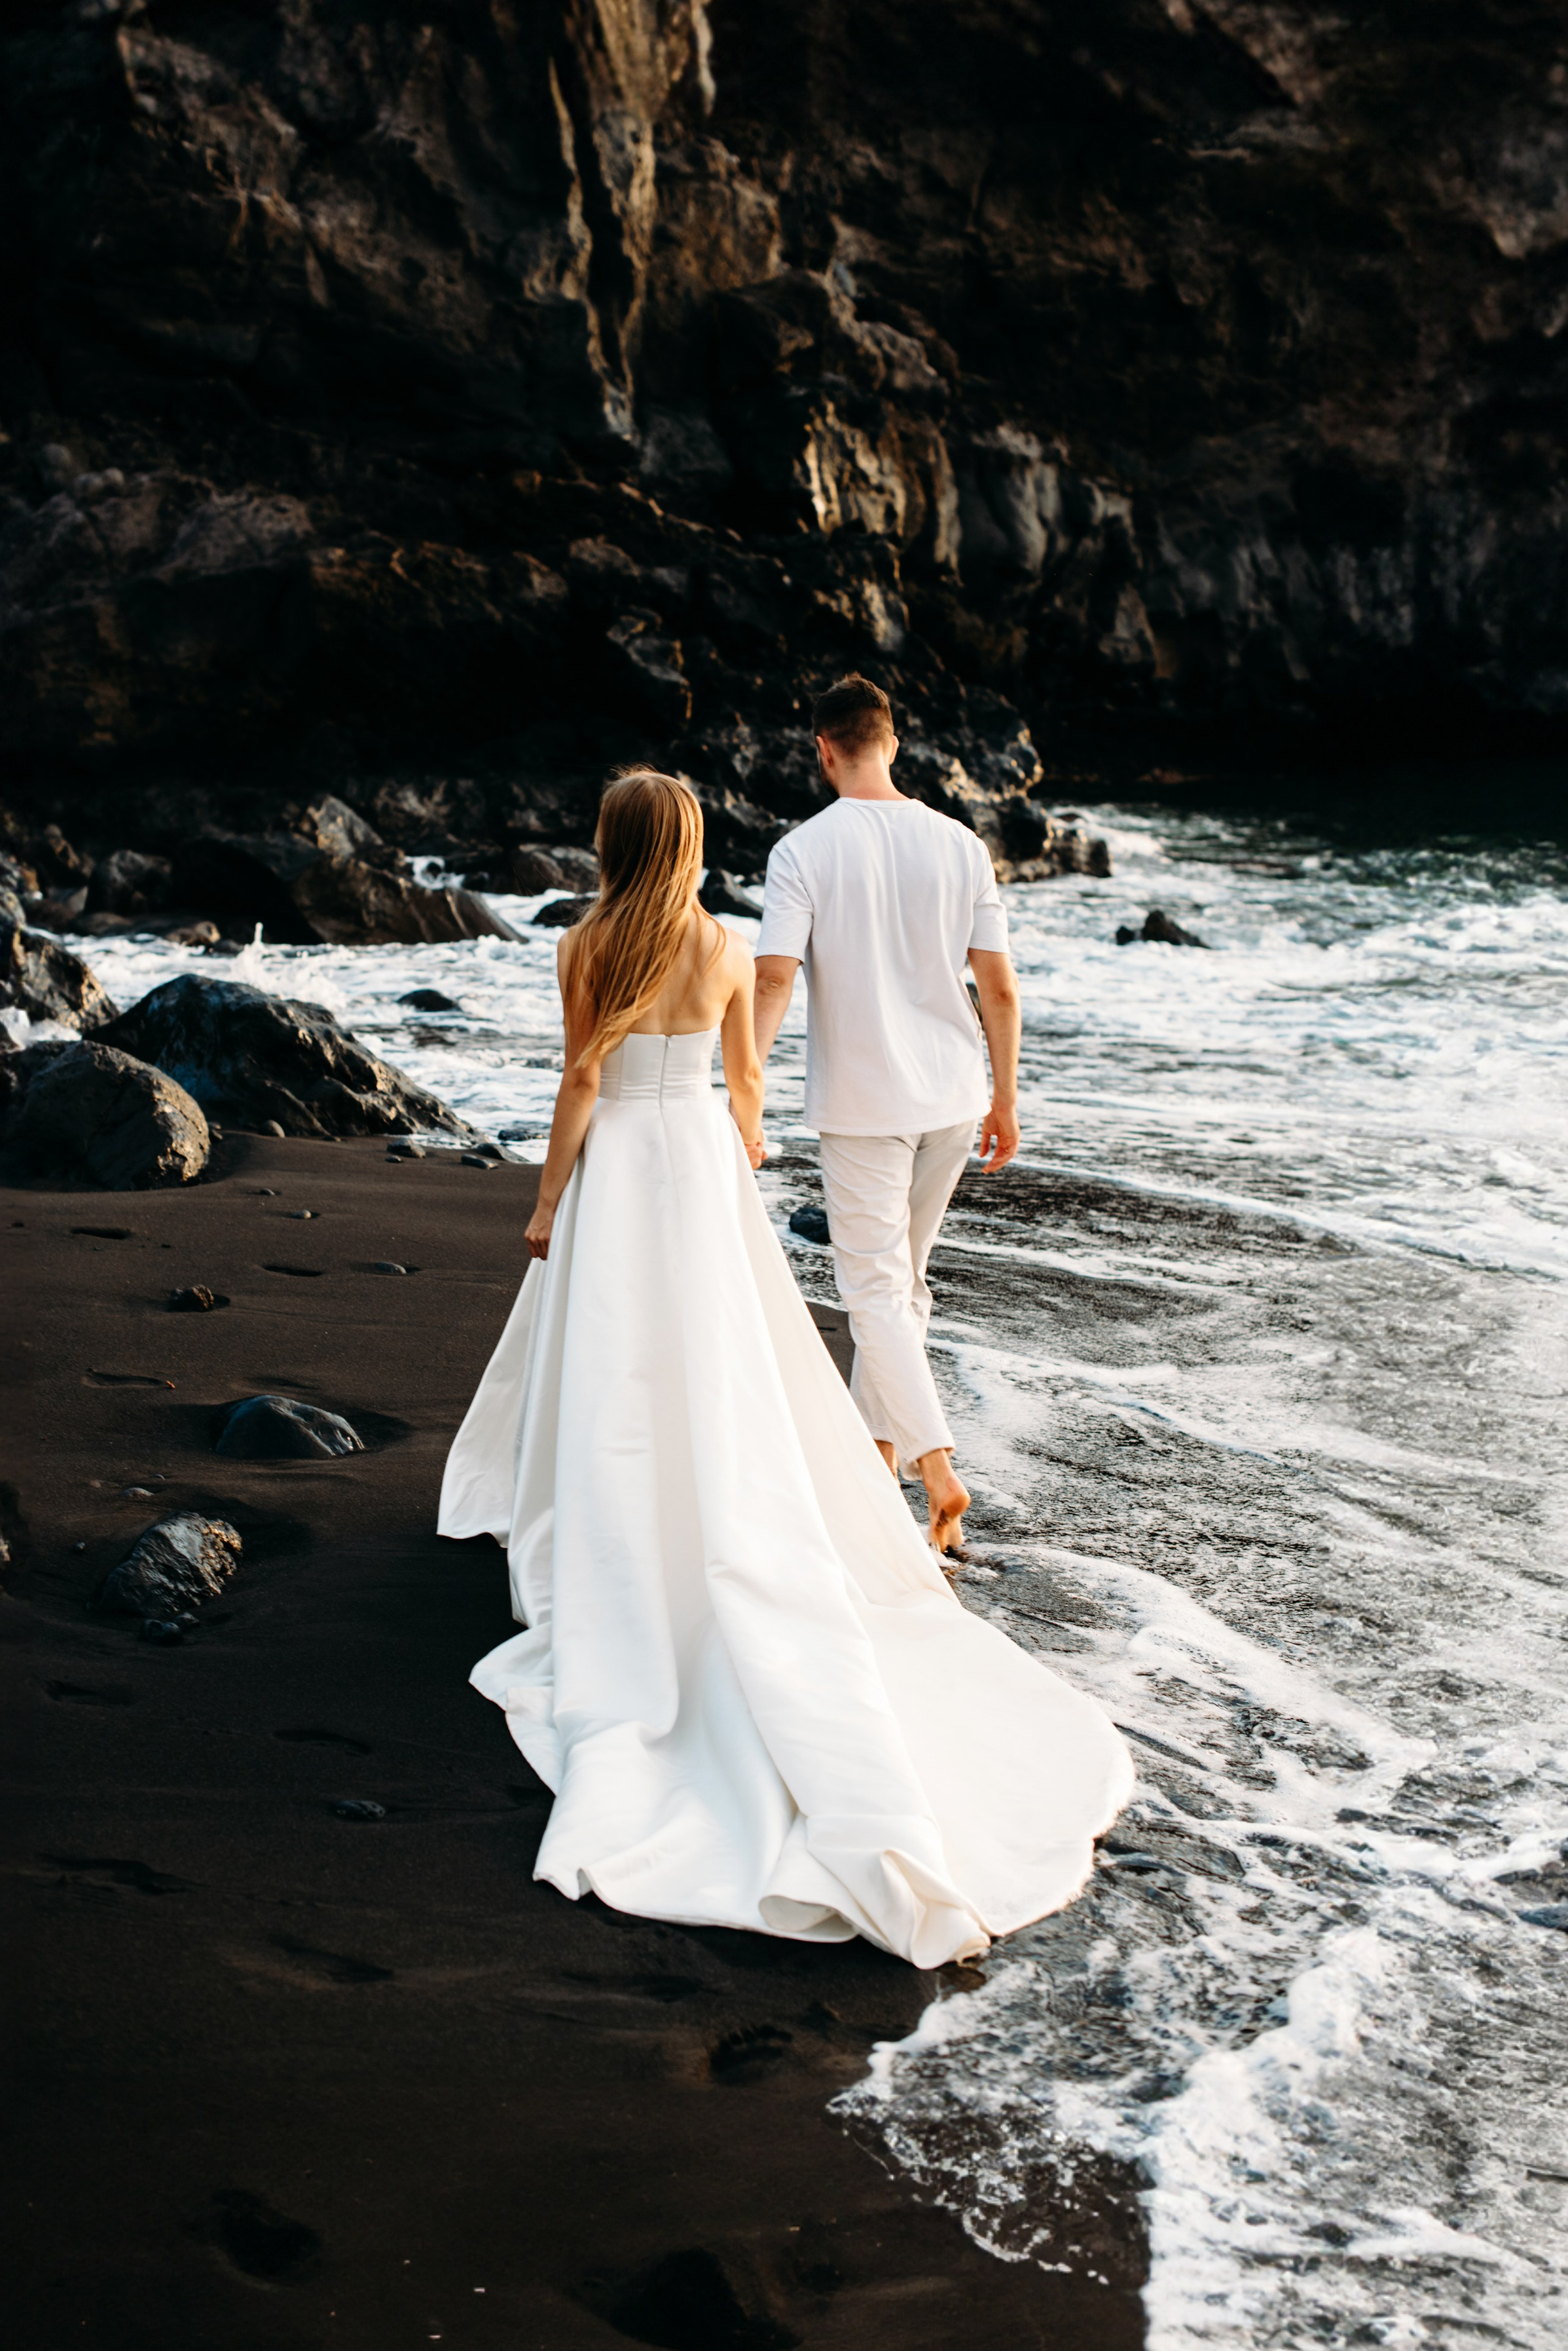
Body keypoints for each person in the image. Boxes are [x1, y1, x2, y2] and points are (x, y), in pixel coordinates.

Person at [439, 766, 1131, 1967]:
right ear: (693, 842)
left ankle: (610, 1517)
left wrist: (549, 1198)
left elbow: (582, 1080)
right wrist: (746, 1138)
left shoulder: (588, 942)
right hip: (700, 1155)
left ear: (611, 842)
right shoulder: (717, 943)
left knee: (619, 1352)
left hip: (625, 1161)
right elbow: (745, 1073)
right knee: (722, 1357)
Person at [753, 675, 1018, 1555]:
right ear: (892, 743)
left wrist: (746, 1084)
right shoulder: (960, 845)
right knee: (900, 1288)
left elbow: (773, 976)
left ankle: (938, 1471)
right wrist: (1007, 1098)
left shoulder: (802, 851)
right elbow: (999, 988)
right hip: (954, 1093)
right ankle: (876, 1461)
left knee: (874, 1291)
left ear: (822, 749)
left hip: (866, 1105)